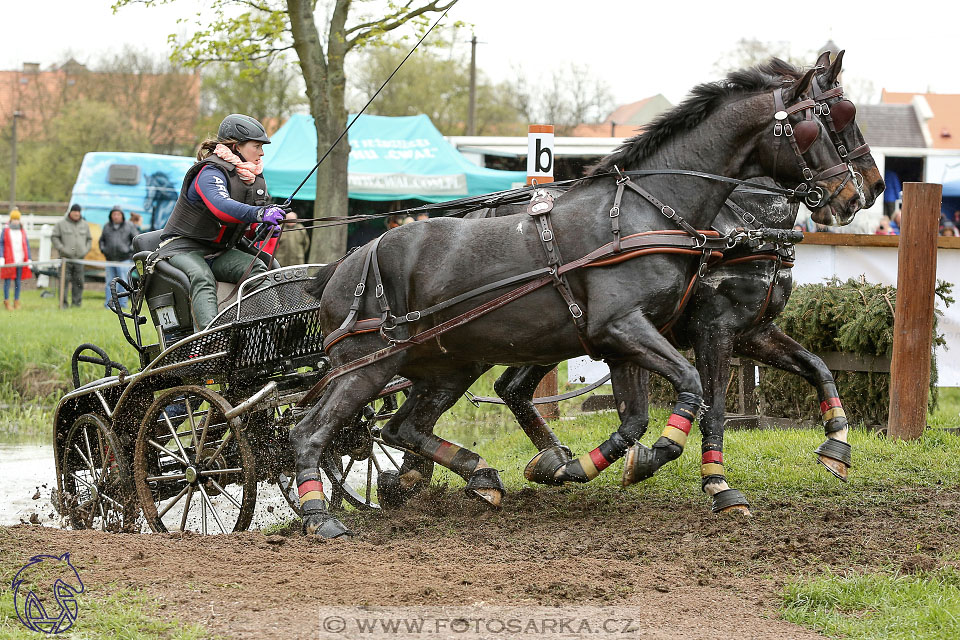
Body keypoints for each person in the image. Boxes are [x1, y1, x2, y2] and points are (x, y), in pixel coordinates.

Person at [158, 113, 285, 331]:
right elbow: (220, 206)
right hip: (182, 248)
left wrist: (262, 228)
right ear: (236, 146)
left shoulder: (252, 178)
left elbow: (246, 223)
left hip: (219, 251)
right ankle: (210, 339)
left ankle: (276, 326)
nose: (262, 152)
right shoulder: (210, 172)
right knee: (201, 277)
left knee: (256, 267)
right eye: (257, 146)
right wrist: (259, 214)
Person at [51, 204, 92, 308]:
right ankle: (63, 304)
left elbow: (89, 239)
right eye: (74, 211)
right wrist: (62, 248)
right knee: (63, 282)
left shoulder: (85, 225)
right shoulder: (61, 224)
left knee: (79, 282)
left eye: (78, 211)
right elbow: (54, 237)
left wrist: (85, 250)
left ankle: (76, 304)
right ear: (70, 212)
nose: (76, 213)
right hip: (65, 259)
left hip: (79, 259)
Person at [99, 205, 139, 309]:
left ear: (122, 216)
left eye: (118, 214)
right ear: (111, 216)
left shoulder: (129, 226)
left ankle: (123, 304)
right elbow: (101, 240)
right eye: (114, 214)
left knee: (123, 283)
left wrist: (129, 250)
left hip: (124, 260)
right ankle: (109, 304)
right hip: (110, 260)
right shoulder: (106, 226)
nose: (116, 216)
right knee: (109, 283)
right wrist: (104, 250)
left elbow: (135, 239)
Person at [1, 209, 32, 310]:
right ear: (11, 219)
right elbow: (1, 244)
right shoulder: (6, 230)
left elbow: (26, 245)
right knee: (7, 281)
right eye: (14, 219)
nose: (15, 221)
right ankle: (6, 301)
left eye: (17, 219)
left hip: (20, 259)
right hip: (9, 259)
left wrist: (29, 258)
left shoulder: (22, 231)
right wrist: (1, 256)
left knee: (18, 281)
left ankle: (16, 300)